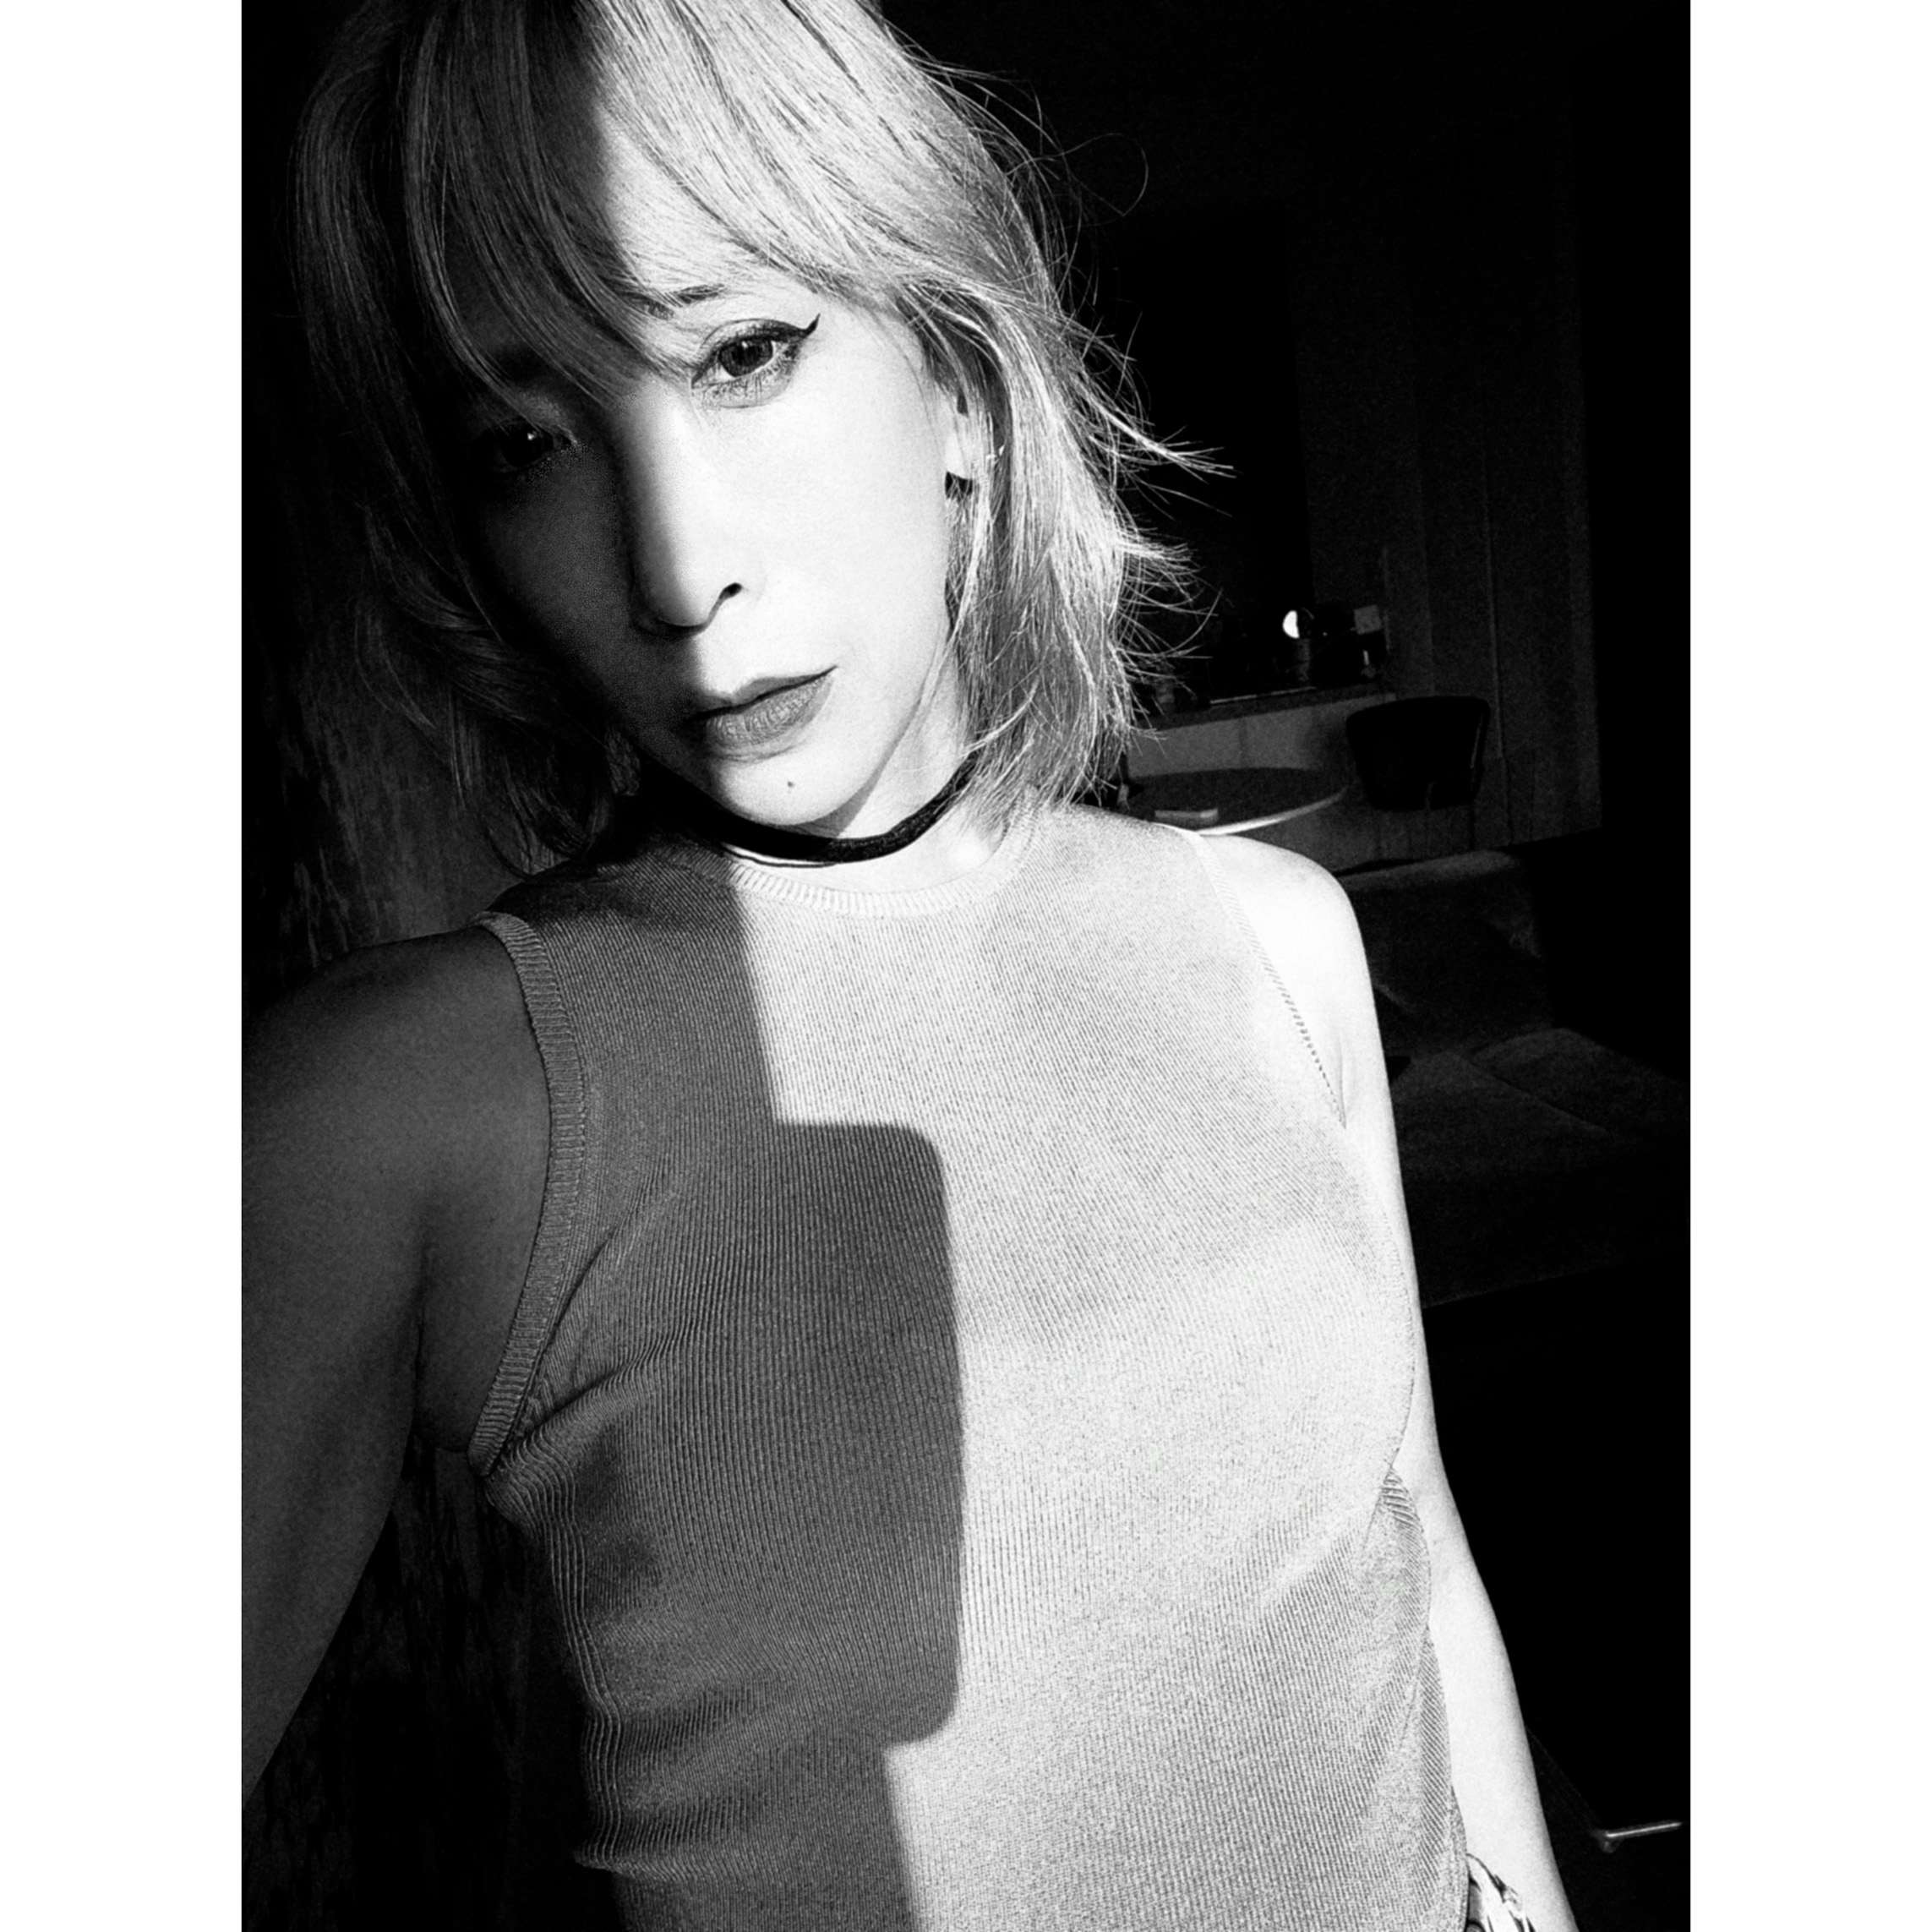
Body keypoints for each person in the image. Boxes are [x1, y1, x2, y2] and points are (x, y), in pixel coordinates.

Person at [245, 2, 1579, 1927]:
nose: (674, 567)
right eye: (523, 441)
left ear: (957, 384)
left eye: (742, 352)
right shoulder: (413, 1103)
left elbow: (1411, 1543)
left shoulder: (1274, 939)